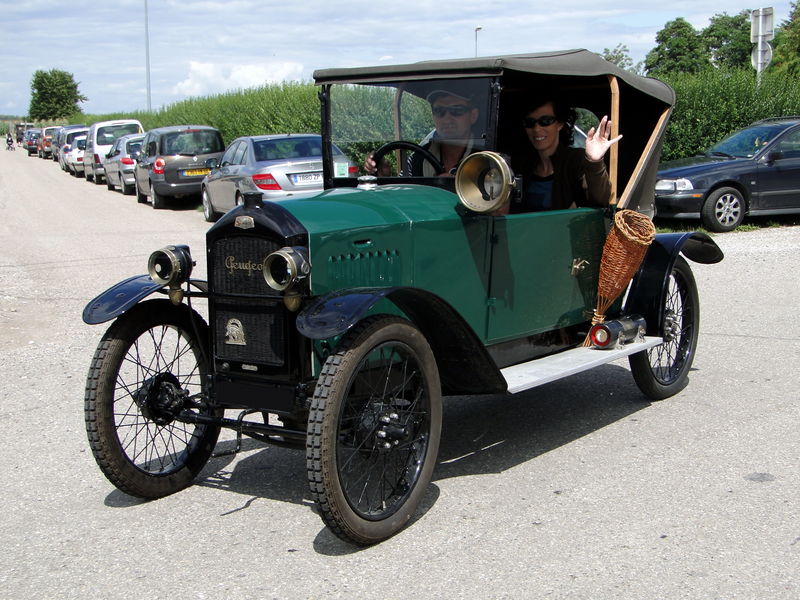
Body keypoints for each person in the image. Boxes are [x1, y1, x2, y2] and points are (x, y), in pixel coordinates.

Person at [509, 95, 621, 213]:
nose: (537, 129)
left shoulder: (575, 160)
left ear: (560, 124)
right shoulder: (522, 164)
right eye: (530, 123)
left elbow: (600, 201)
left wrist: (594, 162)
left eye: (545, 121)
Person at [364, 90, 480, 177]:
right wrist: (384, 177)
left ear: (473, 116)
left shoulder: (487, 159)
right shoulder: (418, 158)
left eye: (457, 110)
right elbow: (405, 192)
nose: (447, 118)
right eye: (439, 111)